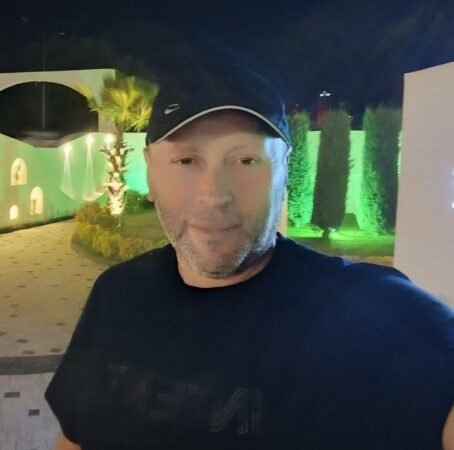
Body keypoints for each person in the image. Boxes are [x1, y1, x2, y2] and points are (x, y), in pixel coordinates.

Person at [45, 60, 454, 450]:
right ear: (152, 172)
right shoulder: (116, 294)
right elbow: (75, 437)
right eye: (186, 159)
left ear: (284, 170)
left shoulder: (369, 312)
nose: (214, 194)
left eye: (245, 160)